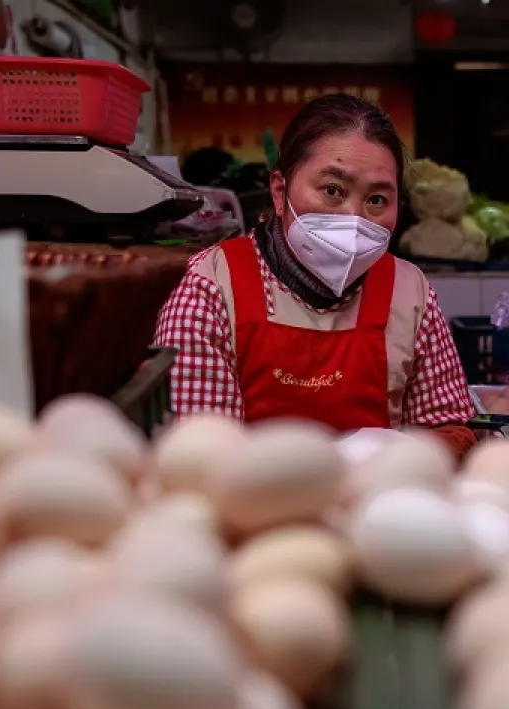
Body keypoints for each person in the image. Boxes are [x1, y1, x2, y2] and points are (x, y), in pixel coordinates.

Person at [153, 95, 477, 457]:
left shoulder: (409, 291)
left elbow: (451, 430)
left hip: (375, 506)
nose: (354, 217)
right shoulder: (209, 287)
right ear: (280, 192)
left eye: (377, 200)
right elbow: (201, 455)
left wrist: (393, 453)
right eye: (333, 191)